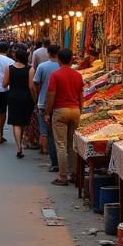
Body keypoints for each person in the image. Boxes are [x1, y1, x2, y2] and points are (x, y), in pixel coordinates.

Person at [45, 48, 84, 186]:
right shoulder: (77, 75)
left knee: (61, 145)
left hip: (60, 111)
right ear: (71, 59)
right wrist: (81, 109)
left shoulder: (55, 75)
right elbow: (81, 95)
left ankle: (63, 176)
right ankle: (74, 173)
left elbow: (51, 95)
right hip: (75, 110)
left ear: (59, 60)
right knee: (72, 144)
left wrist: (47, 112)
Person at [2, 45, 35, 158]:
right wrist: (34, 99)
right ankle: (22, 141)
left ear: (16, 57)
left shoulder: (9, 68)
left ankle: (18, 146)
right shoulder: (30, 69)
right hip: (26, 97)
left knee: (16, 122)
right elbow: (31, 86)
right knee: (24, 121)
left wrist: (12, 81)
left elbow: (4, 84)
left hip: (13, 96)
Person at [33, 43, 60, 172]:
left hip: (43, 102)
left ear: (48, 53)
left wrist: (38, 95)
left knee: (46, 131)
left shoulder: (42, 67)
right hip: (60, 104)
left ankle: (49, 156)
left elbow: (36, 83)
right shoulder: (62, 68)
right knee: (59, 135)